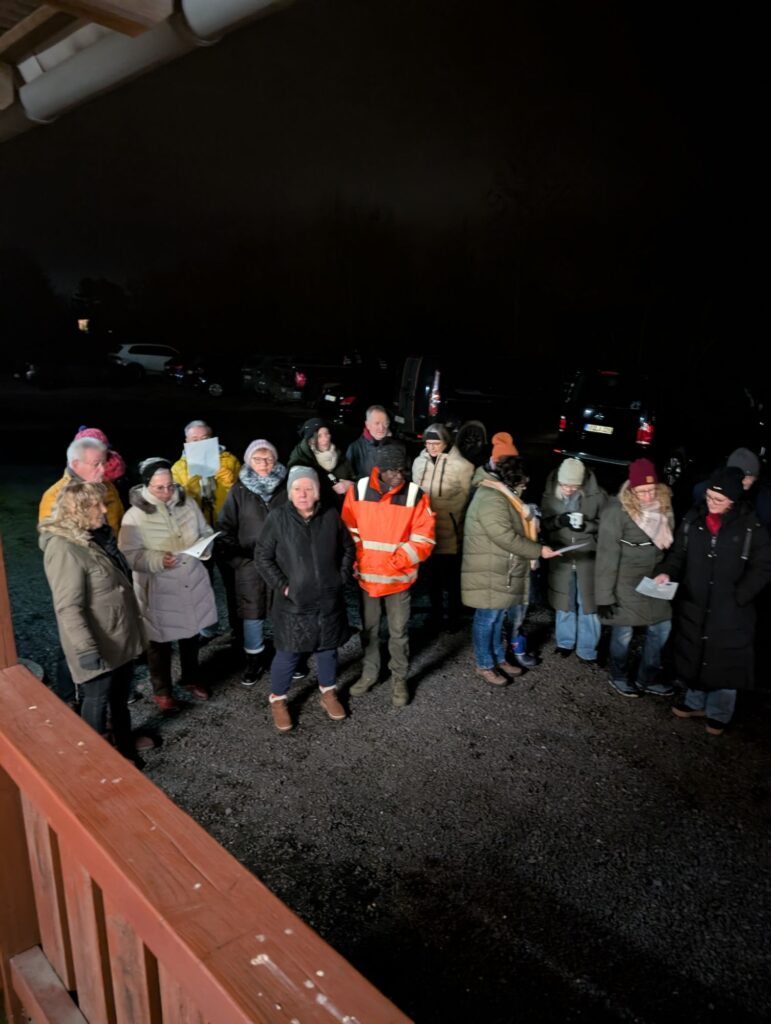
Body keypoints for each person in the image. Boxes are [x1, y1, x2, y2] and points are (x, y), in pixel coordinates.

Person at [654, 467, 771, 735]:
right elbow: (678, 555)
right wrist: (666, 572)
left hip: (731, 608)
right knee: (694, 649)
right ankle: (695, 701)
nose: (711, 503)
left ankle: (719, 712)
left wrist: (741, 595)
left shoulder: (751, 526)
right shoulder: (693, 520)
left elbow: (764, 566)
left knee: (726, 657)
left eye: (718, 499)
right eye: (708, 496)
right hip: (695, 602)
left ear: (733, 500)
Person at [38, 482, 145, 765]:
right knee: (96, 702)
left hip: (118, 636)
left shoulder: (96, 537)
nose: (104, 510)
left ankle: (125, 751)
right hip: (99, 642)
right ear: (79, 510)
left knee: (119, 700)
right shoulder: (64, 548)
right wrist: (86, 648)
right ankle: (96, 763)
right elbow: (68, 606)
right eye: (97, 505)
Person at [254, 466, 354, 732]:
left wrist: (340, 577)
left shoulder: (330, 516)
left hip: (328, 599)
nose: (303, 493)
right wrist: (284, 587)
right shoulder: (278, 518)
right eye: (297, 488)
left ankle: (328, 692)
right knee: (288, 652)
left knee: (328, 649)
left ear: (317, 492)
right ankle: (278, 699)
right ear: (289, 493)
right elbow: (262, 557)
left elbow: (348, 547)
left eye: (309, 488)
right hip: (294, 603)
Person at [341, 439, 435, 706]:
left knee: (399, 632)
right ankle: (370, 674)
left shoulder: (416, 495)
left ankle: (399, 679)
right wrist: (363, 560)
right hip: (368, 578)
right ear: (379, 469)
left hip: (398, 579)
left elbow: (424, 538)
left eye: (402, 470)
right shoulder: (358, 491)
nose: (398, 475)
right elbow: (349, 531)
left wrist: (395, 562)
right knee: (369, 631)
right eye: (393, 470)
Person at [119, 458, 217, 711]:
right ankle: (162, 690)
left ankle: (191, 678)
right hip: (158, 586)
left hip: (190, 579)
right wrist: (157, 560)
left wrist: (205, 547)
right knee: (158, 641)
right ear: (146, 485)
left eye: (170, 486)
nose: (166, 492)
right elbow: (129, 554)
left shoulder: (188, 504)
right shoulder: (134, 516)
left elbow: (205, 531)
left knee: (190, 634)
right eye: (159, 488)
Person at [461, 447, 559, 686]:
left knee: (497, 617)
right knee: (487, 618)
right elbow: (504, 536)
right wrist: (538, 550)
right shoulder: (491, 498)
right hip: (489, 568)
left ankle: (497, 657)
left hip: (499, 566)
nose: (526, 485)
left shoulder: (502, 493)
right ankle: (484, 664)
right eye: (523, 482)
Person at [595, 458, 675, 698]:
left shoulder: (664, 505)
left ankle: (647, 677)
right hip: (625, 580)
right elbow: (606, 556)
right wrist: (604, 597)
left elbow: (671, 546)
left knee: (661, 627)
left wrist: (668, 570)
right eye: (642, 491)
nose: (648, 496)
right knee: (624, 632)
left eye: (652, 490)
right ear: (631, 489)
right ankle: (618, 675)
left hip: (654, 578)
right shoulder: (616, 512)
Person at [217, 440, 288, 686]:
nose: (264, 464)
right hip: (250, 562)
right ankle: (254, 660)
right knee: (252, 612)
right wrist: (238, 560)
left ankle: (288, 656)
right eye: (258, 459)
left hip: (281, 563)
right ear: (249, 461)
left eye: (268, 458)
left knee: (284, 610)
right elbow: (225, 528)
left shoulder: (287, 486)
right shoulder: (238, 490)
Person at [172, 419, 241, 639]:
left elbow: (242, 496)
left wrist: (230, 482)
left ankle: (238, 628)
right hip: (197, 534)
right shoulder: (178, 468)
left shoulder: (229, 461)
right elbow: (176, 504)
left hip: (226, 529)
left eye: (205, 439)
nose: (200, 443)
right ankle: (207, 630)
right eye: (195, 440)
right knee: (201, 584)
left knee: (234, 582)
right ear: (186, 442)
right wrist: (188, 486)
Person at [540, 457, 606, 663]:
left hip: (588, 556)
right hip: (562, 556)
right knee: (564, 600)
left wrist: (587, 526)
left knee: (588, 603)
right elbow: (544, 524)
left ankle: (587, 649)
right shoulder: (550, 494)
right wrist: (559, 521)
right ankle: (565, 642)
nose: (568, 489)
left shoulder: (598, 496)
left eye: (573, 486)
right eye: (564, 485)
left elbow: (606, 525)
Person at [411, 422, 474, 630]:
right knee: (432, 579)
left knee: (452, 579)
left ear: (446, 442)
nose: (432, 447)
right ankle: (436, 615)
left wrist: (452, 516)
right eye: (428, 443)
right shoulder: (419, 462)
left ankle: (454, 616)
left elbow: (466, 497)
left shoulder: (462, 466)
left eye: (436, 443)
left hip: (450, 532)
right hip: (426, 532)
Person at [40, 436, 124, 533]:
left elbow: (120, 525)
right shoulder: (55, 496)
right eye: (96, 464)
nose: (102, 470)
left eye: (103, 463)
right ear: (76, 464)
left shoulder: (109, 487)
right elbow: (53, 537)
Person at [692, 447, 771, 534]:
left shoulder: (764, 502)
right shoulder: (706, 489)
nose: (743, 481)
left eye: (748, 477)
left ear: (756, 477)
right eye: (738, 476)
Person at [287, 417, 354, 507]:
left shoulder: (338, 454)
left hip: (344, 508)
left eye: (327, 434)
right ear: (310, 440)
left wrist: (351, 485)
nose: (325, 439)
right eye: (319, 436)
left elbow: (354, 477)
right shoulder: (300, 461)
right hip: (320, 511)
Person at [345, 404, 391, 479]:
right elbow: (348, 478)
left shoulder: (397, 446)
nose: (381, 428)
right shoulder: (355, 449)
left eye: (385, 423)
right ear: (367, 425)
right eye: (377, 423)